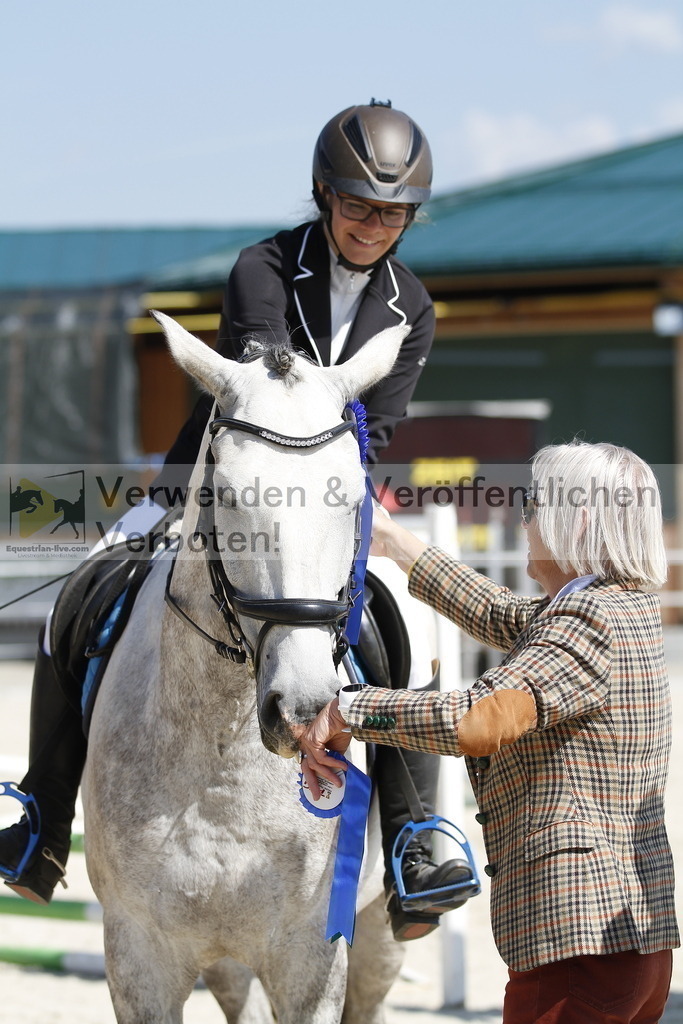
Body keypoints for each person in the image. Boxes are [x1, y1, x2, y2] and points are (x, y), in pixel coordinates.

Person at [0, 99, 472, 941]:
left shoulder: (413, 305)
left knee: (407, 621)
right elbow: (261, 385)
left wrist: (332, 496)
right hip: (218, 478)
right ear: (325, 195)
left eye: (392, 212)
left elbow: (383, 425)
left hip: (334, 485)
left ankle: (411, 834)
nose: (373, 225)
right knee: (84, 589)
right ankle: (40, 814)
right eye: (359, 205)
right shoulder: (261, 267)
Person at [296, 440, 680, 1024]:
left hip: (579, 951)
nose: (523, 519)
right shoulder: (619, 607)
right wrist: (397, 544)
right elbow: (503, 613)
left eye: (534, 506)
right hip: (628, 944)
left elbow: (479, 720)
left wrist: (354, 709)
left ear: (574, 520)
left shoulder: (587, 622)